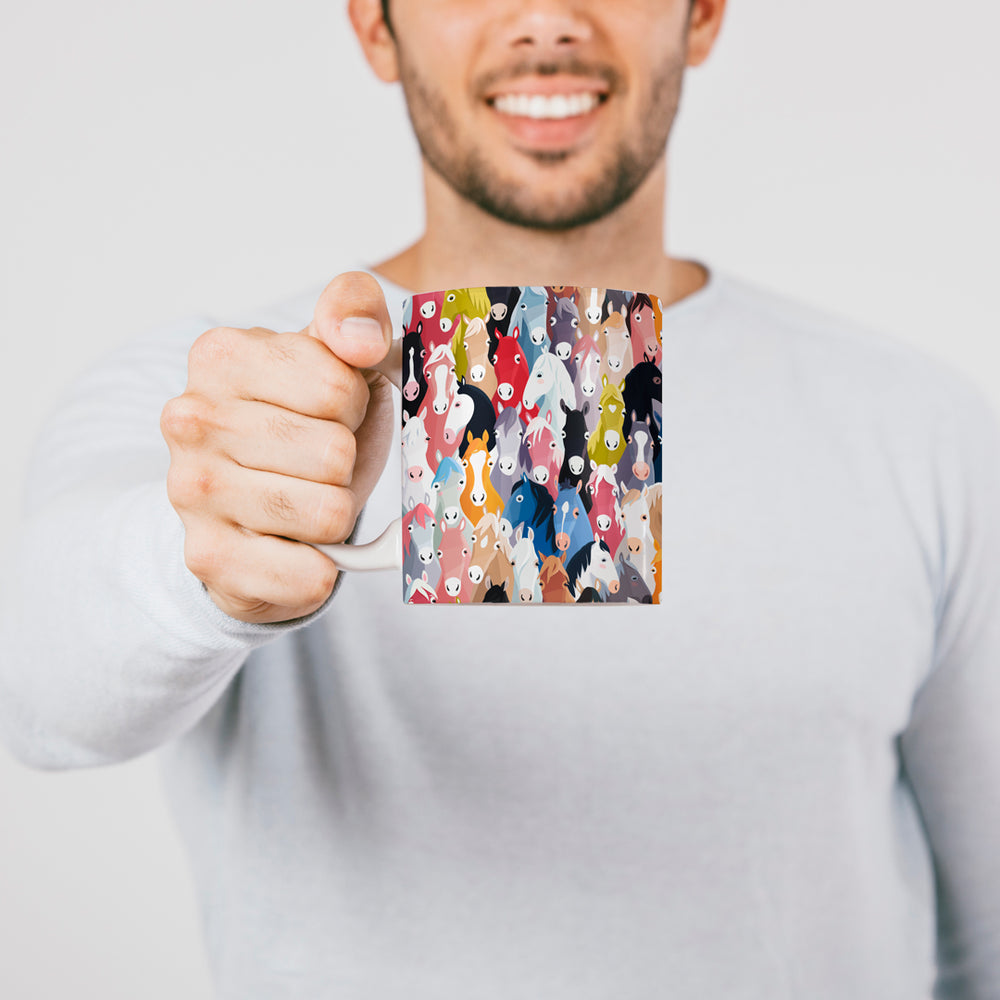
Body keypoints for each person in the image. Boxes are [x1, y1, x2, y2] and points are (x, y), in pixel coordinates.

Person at [1, 0, 998, 996]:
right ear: (374, 28)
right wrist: (206, 567)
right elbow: (43, 688)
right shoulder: (215, 407)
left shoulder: (919, 428)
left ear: (699, 16)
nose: (546, 18)